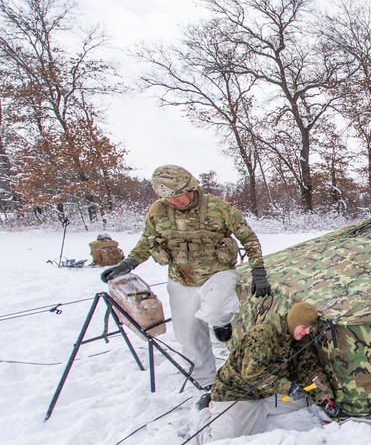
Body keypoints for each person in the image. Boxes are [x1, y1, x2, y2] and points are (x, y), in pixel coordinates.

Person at [100, 165, 271, 389]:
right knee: (188, 334)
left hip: (218, 273)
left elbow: (249, 238)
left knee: (219, 309)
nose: (175, 201)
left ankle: (221, 322)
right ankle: (204, 381)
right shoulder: (158, 212)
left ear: (191, 187)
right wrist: (128, 264)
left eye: (179, 194)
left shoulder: (219, 208)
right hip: (180, 279)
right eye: (169, 197)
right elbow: (146, 241)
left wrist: (258, 271)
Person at [195, 302, 335, 443]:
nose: (307, 332)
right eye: (304, 327)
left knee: (309, 399)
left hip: (270, 392)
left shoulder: (302, 339)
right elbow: (252, 375)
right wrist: (288, 388)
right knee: (218, 443)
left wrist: (325, 397)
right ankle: (202, 410)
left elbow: (310, 368)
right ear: (294, 321)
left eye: (310, 328)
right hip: (239, 393)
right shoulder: (264, 335)